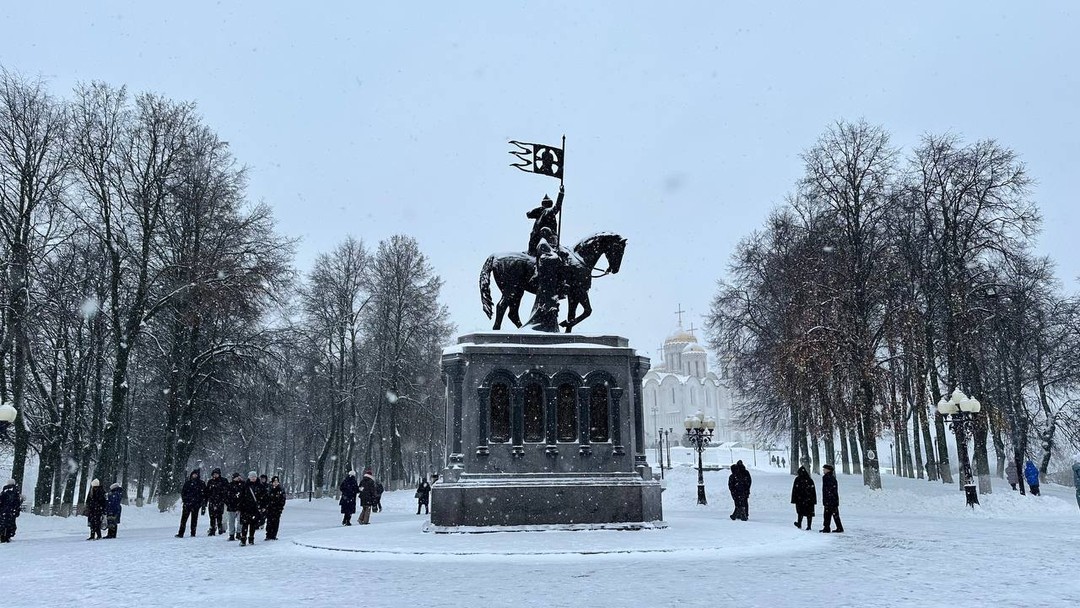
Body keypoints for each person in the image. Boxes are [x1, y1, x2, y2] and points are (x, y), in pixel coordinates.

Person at [526, 185, 564, 256]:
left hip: (537, 239)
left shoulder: (541, 212)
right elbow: (557, 207)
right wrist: (561, 194)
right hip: (543, 238)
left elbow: (529, 214)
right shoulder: (546, 211)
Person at [238, 471, 267, 546]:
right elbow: (241, 497)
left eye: (254, 477)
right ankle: (243, 539)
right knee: (245, 524)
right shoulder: (245, 486)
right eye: (251, 477)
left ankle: (251, 539)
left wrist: (263, 506)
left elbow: (264, 497)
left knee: (253, 525)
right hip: (246, 508)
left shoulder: (260, 486)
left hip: (255, 508)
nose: (253, 478)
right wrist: (240, 506)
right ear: (249, 477)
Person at [176, 469, 206, 538]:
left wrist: (201, 503)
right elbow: (183, 493)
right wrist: (185, 501)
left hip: (196, 505)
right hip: (187, 504)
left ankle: (193, 533)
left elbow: (203, 494)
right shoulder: (188, 483)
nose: (194, 475)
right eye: (193, 474)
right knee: (184, 519)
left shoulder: (201, 483)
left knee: (194, 519)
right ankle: (181, 533)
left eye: (196, 474)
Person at [791, 466, 817, 531]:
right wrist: (813, 500)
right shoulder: (809, 480)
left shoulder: (797, 480)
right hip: (809, 500)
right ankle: (809, 526)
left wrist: (794, 499)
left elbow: (794, 490)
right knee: (809, 514)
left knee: (800, 512)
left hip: (800, 500)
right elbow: (813, 491)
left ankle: (799, 523)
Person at [820, 464, 844, 533]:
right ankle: (838, 527)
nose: (823, 470)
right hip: (833, 499)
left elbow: (828, 489)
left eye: (824, 469)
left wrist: (827, 499)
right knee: (834, 514)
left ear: (828, 470)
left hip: (830, 499)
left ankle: (827, 528)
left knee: (827, 514)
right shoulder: (831, 477)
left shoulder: (827, 477)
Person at [205, 468, 229, 536]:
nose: (215, 475)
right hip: (212, 501)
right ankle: (212, 529)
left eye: (216, 474)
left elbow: (226, 490)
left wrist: (224, 499)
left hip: (220, 501)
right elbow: (207, 492)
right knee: (212, 517)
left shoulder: (223, 481)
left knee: (219, 516)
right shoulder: (210, 482)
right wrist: (206, 500)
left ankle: (220, 528)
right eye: (214, 474)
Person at [0, 478, 21, 543]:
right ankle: (8, 536)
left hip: (3, 511)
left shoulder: (4, 491)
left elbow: (0, 501)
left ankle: (2, 535)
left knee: (3, 523)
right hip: (12, 511)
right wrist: (17, 510)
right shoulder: (15, 491)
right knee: (11, 523)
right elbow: (17, 502)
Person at [264, 476, 286, 540]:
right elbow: (266, 498)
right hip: (270, 508)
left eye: (277, 482)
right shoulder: (269, 489)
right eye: (274, 482)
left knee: (276, 522)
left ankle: (274, 535)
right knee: (269, 522)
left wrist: (280, 507)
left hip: (277, 509)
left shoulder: (281, 489)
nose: (275, 483)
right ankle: (268, 534)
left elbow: (283, 499)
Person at [225, 472, 243, 541]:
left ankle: (238, 533)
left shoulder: (242, 485)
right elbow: (226, 495)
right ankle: (231, 534)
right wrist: (228, 503)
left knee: (240, 521)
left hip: (240, 506)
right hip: (231, 506)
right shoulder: (230, 485)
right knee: (231, 521)